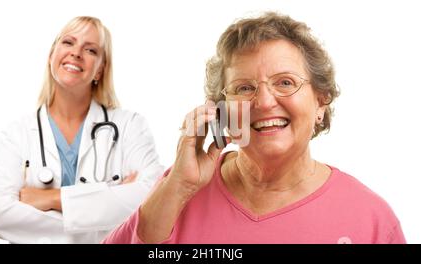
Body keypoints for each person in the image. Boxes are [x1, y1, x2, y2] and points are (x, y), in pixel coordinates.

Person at [102, 12, 406, 244]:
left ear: (320, 102)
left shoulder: (371, 219)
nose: (263, 101)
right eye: (244, 88)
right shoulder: (178, 188)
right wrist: (179, 187)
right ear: (220, 109)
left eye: (285, 82)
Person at [0, 16, 163, 243]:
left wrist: (52, 198)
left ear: (100, 70)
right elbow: (0, 215)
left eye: (90, 50)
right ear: (51, 56)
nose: (76, 53)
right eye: (68, 42)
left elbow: (153, 196)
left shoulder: (130, 126)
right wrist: (109, 203)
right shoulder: (17, 133)